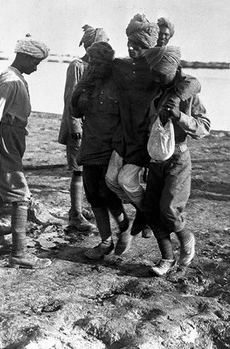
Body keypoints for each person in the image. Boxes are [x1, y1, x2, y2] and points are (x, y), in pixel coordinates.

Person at [105, 14, 201, 255]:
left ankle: (154, 221)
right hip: (126, 137)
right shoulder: (125, 66)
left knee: (138, 188)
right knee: (112, 181)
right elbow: (100, 67)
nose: (131, 47)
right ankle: (145, 218)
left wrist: (178, 105)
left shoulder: (162, 70)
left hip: (155, 145)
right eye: (129, 42)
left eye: (137, 44)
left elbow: (193, 82)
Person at [0, 34, 52, 269]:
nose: (36, 69)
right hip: (5, 139)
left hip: (14, 137)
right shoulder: (10, 81)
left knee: (9, 182)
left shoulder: (17, 77)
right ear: (25, 57)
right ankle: (19, 254)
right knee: (20, 193)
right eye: (35, 63)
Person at [143, 45, 211, 276]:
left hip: (178, 158)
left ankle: (185, 237)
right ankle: (167, 258)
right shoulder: (155, 89)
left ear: (173, 70)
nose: (155, 77)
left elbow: (204, 128)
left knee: (169, 209)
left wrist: (180, 116)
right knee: (150, 209)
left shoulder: (189, 94)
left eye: (160, 74)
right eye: (153, 72)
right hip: (155, 159)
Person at [70, 41, 129, 260]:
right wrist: (79, 95)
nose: (94, 65)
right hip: (91, 146)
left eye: (98, 61)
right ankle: (105, 242)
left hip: (112, 147)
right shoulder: (88, 82)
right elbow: (74, 112)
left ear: (108, 61)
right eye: (91, 61)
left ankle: (124, 227)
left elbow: (128, 116)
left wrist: (123, 147)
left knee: (107, 193)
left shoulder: (119, 81)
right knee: (93, 195)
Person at [58, 25, 109, 232]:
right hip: (77, 128)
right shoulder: (77, 66)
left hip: (94, 128)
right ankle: (75, 215)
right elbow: (71, 99)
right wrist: (75, 126)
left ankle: (82, 208)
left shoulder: (99, 68)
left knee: (90, 170)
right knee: (78, 172)